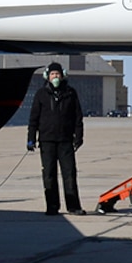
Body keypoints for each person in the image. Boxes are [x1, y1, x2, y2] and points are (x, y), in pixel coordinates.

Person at [25, 62, 85, 214]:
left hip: (65, 141)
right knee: (49, 175)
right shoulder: (41, 94)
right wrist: (31, 138)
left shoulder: (71, 93)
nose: (55, 77)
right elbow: (34, 119)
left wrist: (79, 137)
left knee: (70, 174)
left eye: (57, 74)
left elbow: (78, 117)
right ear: (47, 76)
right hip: (47, 141)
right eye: (52, 74)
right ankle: (52, 207)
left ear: (63, 75)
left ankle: (74, 206)